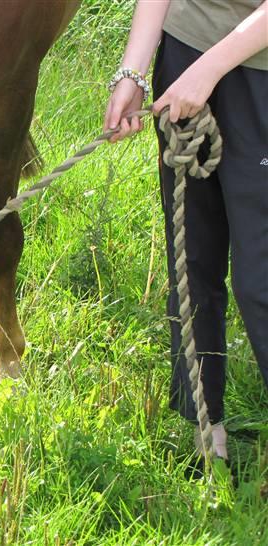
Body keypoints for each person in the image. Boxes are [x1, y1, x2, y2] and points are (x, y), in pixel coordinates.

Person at [103, 0, 267, 460]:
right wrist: (133, 73)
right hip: (184, 54)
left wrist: (208, 69)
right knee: (191, 256)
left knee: (260, 282)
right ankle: (203, 422)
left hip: (258, 76)